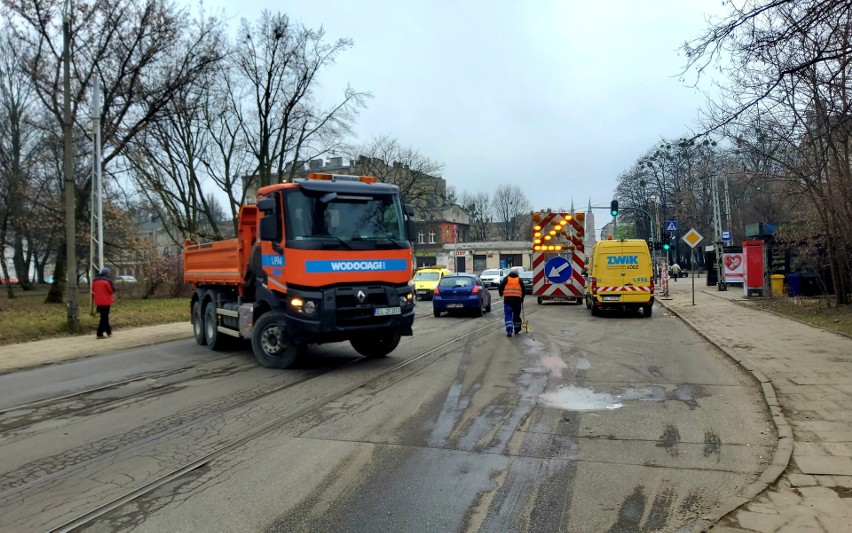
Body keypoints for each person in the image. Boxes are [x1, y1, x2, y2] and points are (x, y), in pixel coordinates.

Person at [498, 270, 526, 337]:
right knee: (516, 315)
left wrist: (501, 294)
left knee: (508, 315)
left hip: (507, 300)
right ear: (517, 274)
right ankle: (517, 329)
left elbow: (500, 287)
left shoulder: (506, 279)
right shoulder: (519, 280)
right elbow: (523, 290)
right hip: (517, 301)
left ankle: (509, 331)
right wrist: (522, 298)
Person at [92, 267, 115, 339]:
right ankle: (99, 333)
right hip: (106, 301)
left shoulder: (95, 281)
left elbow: (93, 290)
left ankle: (109, 332)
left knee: (104, 317)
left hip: (98, 301)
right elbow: (111, 290)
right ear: (107, 273)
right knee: (104, 318)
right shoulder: (107, 281)